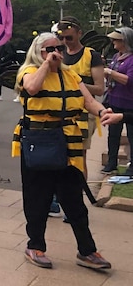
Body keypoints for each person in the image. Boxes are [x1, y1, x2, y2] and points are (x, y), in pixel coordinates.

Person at [14, 32, 112, 270]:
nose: (56, 52)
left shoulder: (70, 75)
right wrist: (46, 65)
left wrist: (102, 112)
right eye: (49, 49)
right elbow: (33, 88)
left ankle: (87, 250)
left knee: (73, 199)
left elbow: (88, 100)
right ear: (38, 52)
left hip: (67, 142)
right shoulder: (29, 71)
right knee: (38, 198)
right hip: (39, 140)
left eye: (59, 47)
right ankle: (35, 245)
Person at [56, 17, 105, 175]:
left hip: (83, 113)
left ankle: (80, 192)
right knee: (60, 154)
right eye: (61, 38)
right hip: (60, 111)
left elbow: (99, 89)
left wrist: (77, 84)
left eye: (69, 37)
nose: (65, 41)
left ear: (79, 34)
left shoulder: (91, 55)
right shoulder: (59, 54)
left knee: (79, 155)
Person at [102, 27, 133, 174]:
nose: (113, 42)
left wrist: (110, 72)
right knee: (113, 135)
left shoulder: (131, 59)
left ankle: (132, 166)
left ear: (125, 41)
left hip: (129, 103)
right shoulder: (116, 57)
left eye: (117, 40)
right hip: (114, 101)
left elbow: (128, 80)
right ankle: (111, 163)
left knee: (132, 136)